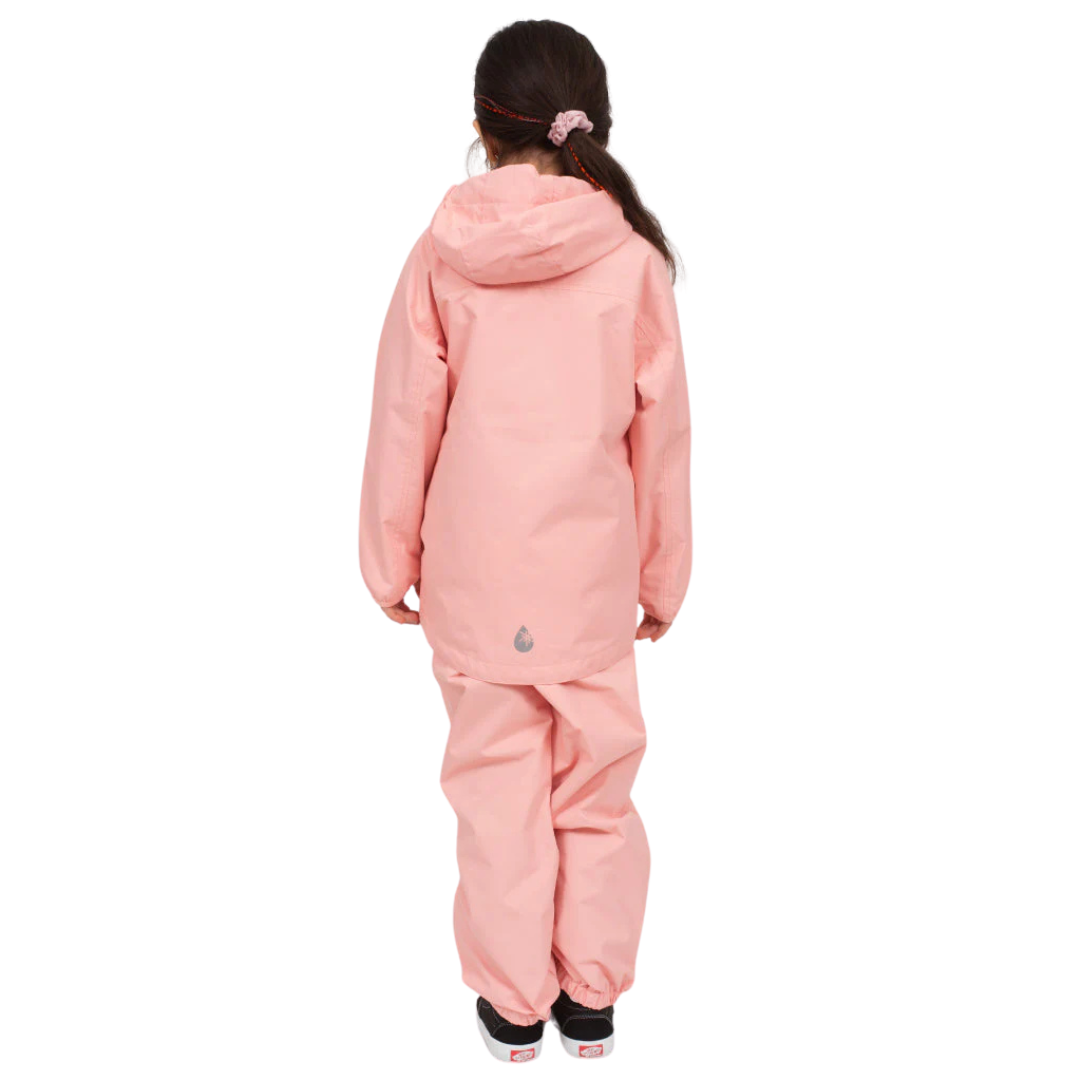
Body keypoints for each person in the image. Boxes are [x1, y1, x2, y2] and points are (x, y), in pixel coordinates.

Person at [359, 19, 691, 1062]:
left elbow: (405, 416)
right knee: (595, 791)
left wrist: (388, 562)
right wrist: (663, 580)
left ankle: (511, 1009)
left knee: (497, 796)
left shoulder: (440, 254)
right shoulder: (631, 261)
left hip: (475, 585)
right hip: (589, 587)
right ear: (592, 124)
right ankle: (589, 1001)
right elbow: (662, 440)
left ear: (482, 125)